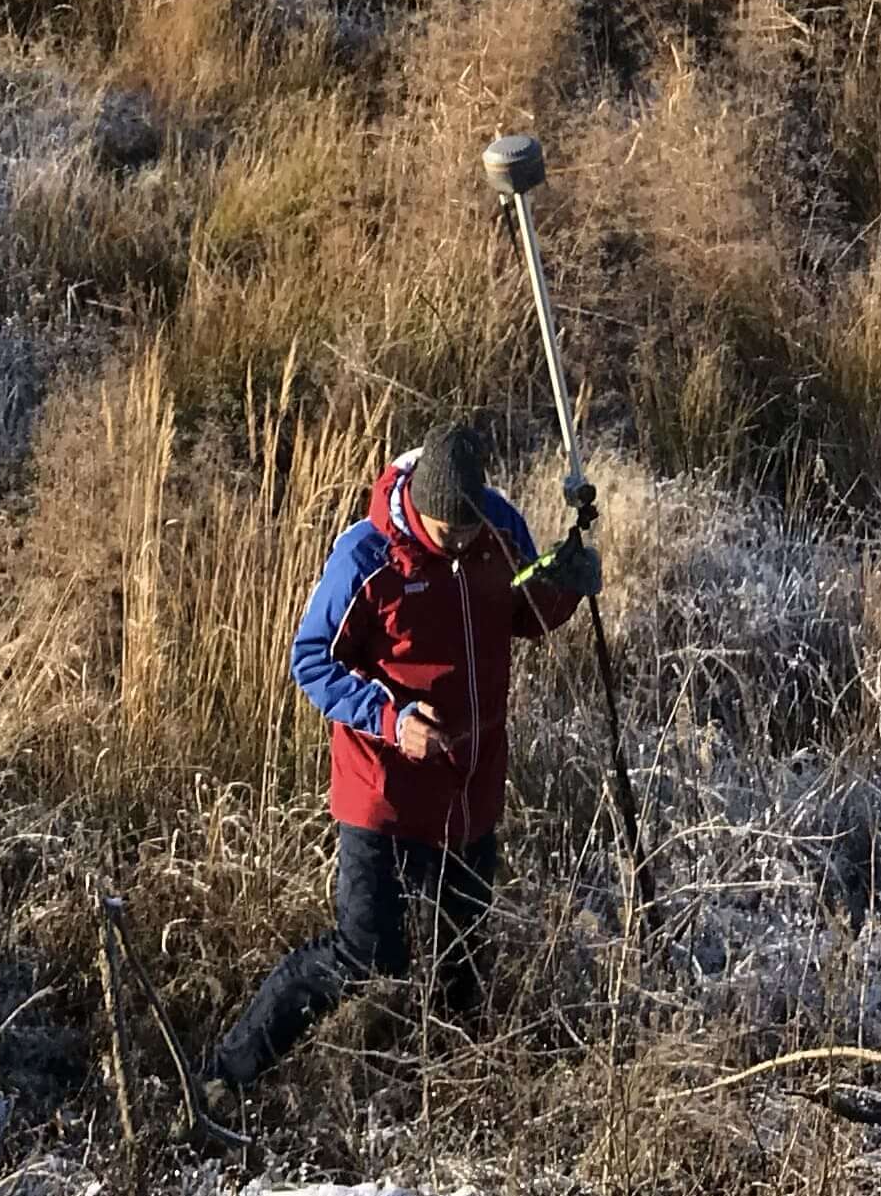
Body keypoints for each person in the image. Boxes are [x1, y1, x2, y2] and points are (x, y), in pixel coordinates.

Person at [194, 418, 596, 1096]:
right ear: (420, 507)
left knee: (462, 961)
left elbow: (524, 613)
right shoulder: (367, 556)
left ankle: (453, 1097)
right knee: (363, 954)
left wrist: (569, 583)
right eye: (450, 533)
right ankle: (225, 1078)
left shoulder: (496, 525)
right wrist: (393, 718)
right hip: (383, 795)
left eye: (472, 529)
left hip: (472, 794)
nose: (464, 542)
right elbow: (310, 661)